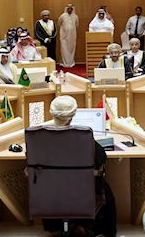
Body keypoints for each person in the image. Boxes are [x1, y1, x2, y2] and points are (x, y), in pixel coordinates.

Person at [46, 96, 117, 237]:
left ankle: (64, 226)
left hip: (50, 193)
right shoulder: (82, 138)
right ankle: (104, 231)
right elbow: (101, 158)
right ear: (72, 117)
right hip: (82, 191)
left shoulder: (40, 138)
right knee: (104, 189)